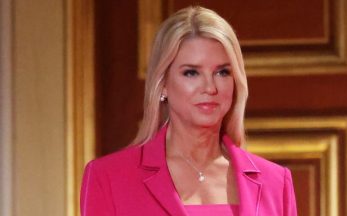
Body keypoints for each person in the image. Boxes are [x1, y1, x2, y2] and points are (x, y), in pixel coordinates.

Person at [80, 6, 297, 216]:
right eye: (191, 73)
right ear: (162, 83)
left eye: (222, 72)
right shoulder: (109, 178)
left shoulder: (276, 183)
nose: (210, 88)